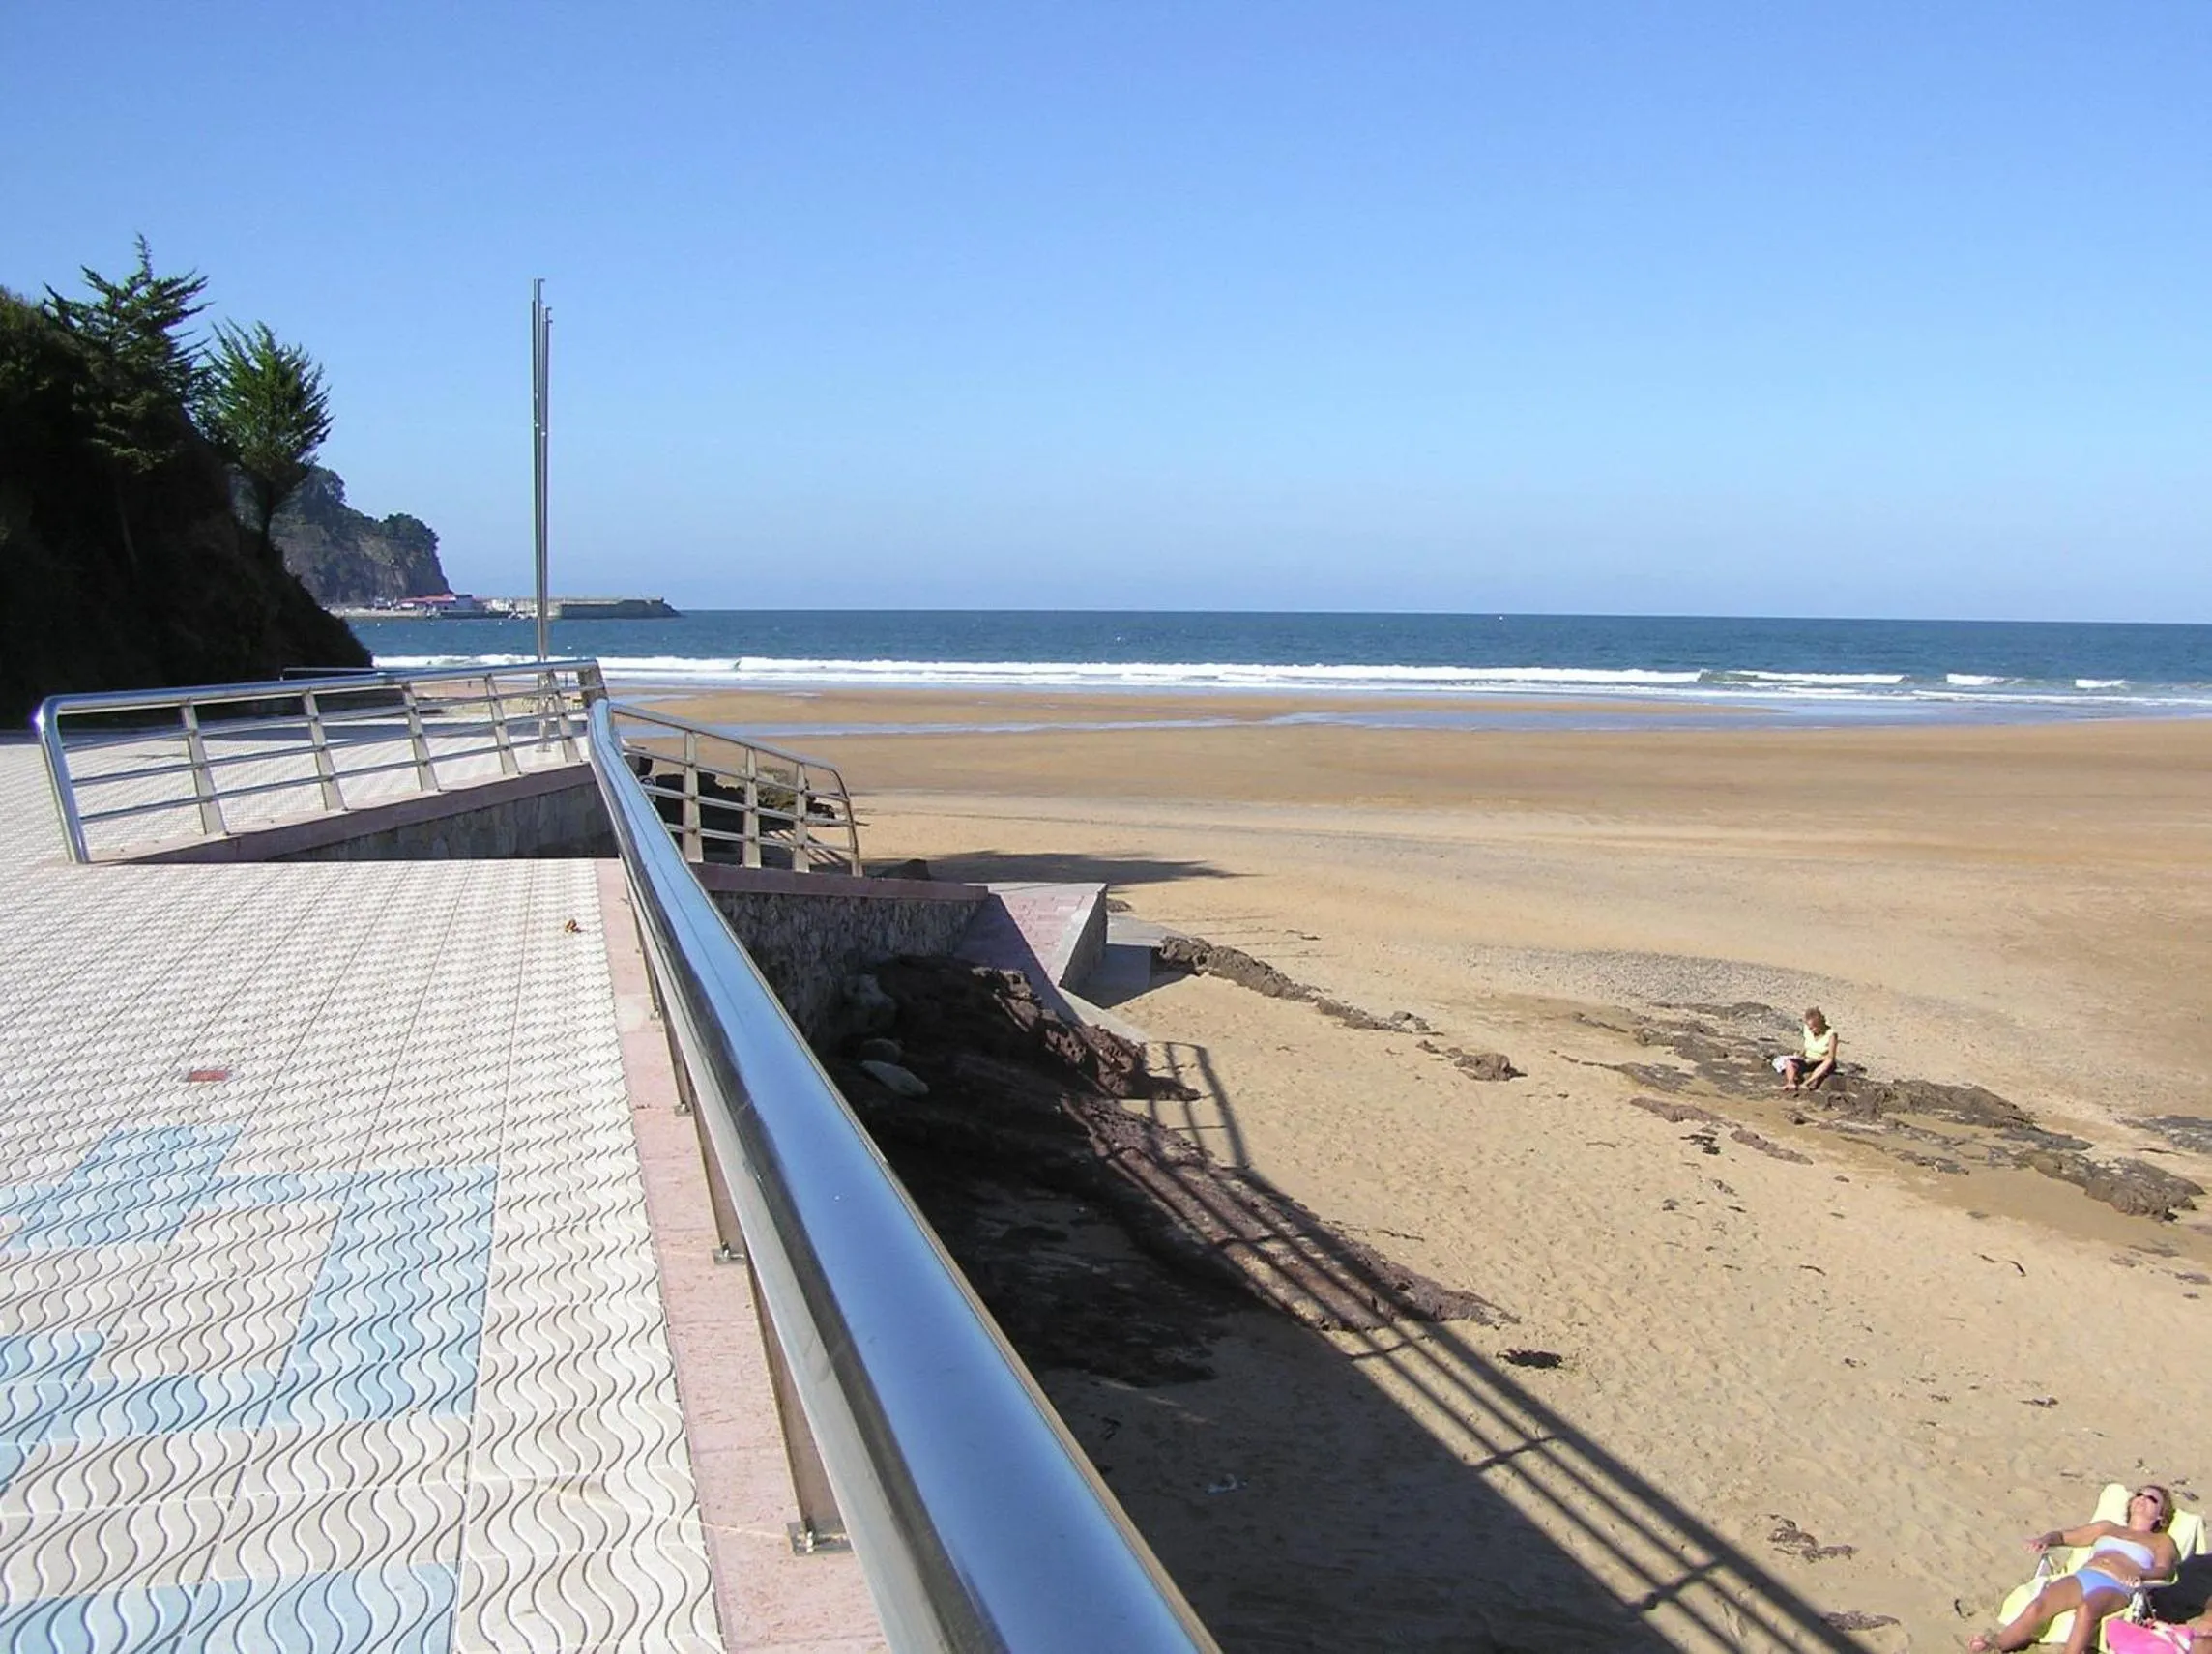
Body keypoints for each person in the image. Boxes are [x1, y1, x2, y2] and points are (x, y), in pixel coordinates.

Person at [1970, 1488, 2180, 1654]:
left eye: (2152, 1499)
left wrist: (2142, 1575)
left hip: (2117, 1585)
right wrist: (2045, 1540)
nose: (2142, 1499)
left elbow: (2164, 1570)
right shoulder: (2108, 1528)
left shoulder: (2161, 1541)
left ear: (2161, 1516)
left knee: (2088, 1609)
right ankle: (1998, 1645)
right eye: (2139, 1494)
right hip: (2084, 1576)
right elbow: (2064, 1536)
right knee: (2039, 1605)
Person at [1777, 1007, 1839, 1092]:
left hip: (1821, 1061)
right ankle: (1790, 1082)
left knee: (1828, 1061)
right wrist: (1800, 1054)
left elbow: (1831, 1057)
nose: (1811, 1030)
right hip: (1808, 1059)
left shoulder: (1831, 1035)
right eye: (1809, 1028)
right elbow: (1807, 1045)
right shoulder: (1807, 1030)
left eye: (1812, 1028)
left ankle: (1807, 1082)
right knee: (1789, 1062)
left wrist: (1814, 1060)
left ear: (1819, 1024)